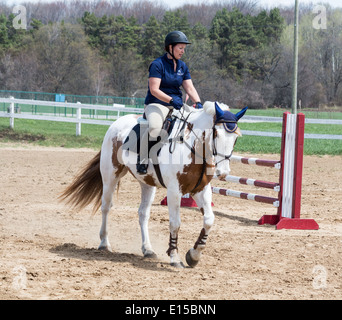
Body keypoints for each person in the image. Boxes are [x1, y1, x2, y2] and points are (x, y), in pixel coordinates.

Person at [137, 30, 203, 174]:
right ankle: (142, 159)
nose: (183, 51)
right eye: (180, 48)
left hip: (177, 104)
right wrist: (171, 100)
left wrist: (198, 103)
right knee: (154, 128)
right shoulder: (157, 64)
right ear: (170, 47)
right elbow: (154, 89)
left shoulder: (182, 67)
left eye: (184, 48)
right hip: (157, 104)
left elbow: (189, 87)